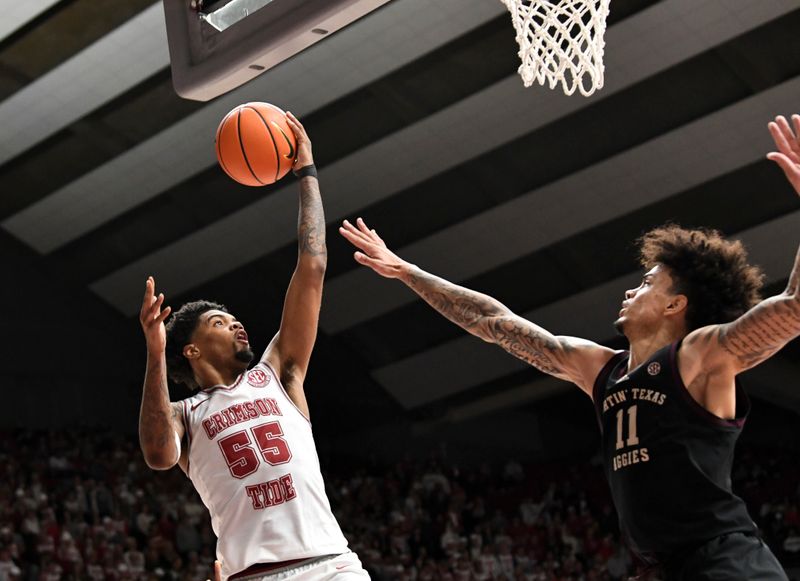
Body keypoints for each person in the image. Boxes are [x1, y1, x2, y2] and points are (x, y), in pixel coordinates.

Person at [339, 114, 800, 579]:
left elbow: (794, 308)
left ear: (675, 305)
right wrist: (408, 272)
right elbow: (493, 321)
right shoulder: (602, 370)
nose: (630, 291)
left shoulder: (697, 357)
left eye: (645, 283)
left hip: (725, 563)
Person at [139, 112, 369, 581]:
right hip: (255, 575)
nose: (237, 324)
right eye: (220, 323)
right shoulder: (186, 415)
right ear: (192, 350)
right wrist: (155, 351)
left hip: (331, 565)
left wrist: (307, 174)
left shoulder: (279, 373)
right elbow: (159, 455)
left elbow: (313, 268)